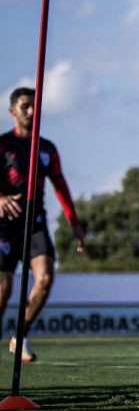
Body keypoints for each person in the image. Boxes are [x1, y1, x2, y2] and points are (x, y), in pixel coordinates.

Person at [0, 87, 85, 362]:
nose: (31, 111)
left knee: (45, 278)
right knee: (3, 289)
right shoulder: (2, 145)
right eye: (25, 106)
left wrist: (74, 222)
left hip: (34, 222)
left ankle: (20, 336)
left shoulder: (46, 148)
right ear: (12, 110)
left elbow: (60, 185)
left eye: (35, 106)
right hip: (5, 224)